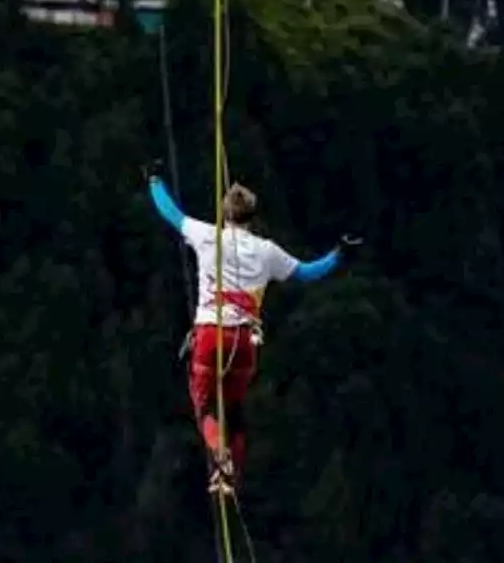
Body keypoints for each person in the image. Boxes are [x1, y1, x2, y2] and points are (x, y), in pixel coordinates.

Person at [143, 160, 360, 496]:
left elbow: (170, 213)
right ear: (252, 217)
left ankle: (219, 457)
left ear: (224, 213)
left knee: (204, 406)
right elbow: (307, 272)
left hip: (209, 335)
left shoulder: (206, 236)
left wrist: (155, 180)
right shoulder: (268, 251)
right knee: (235, 412)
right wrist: (340, 253)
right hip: (244, 340)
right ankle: (232, 477)